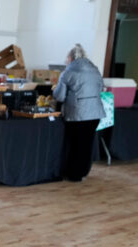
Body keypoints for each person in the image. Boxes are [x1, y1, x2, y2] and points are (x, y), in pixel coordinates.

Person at [53, 43, 105, 182]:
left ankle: (74, 175)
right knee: (86, 144)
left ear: (70, 58)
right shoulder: (95, 71)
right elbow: (101, 89)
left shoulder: (68, 73)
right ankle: (83, 172)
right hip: (95, 114)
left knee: (75, 145)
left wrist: (54, 90)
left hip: (78, 114)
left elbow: (60, 96)